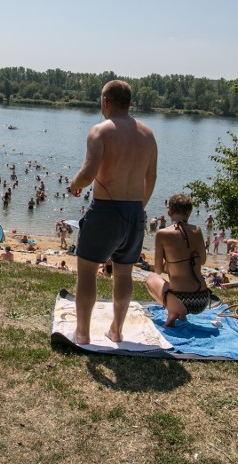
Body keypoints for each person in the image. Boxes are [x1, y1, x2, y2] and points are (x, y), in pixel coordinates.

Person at [68, 80, 157, 344]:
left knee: (86, 271)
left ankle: (83, 333)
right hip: (134, 211)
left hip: (106, 210)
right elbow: (150, 177)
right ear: (128, 102)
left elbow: (88, 172)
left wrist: (74, 185)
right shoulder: (148, 134)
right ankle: (117, 330)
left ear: (105, 101)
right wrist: (140, 206)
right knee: (123, 273)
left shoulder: (100, 131)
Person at [145, 194, 211, 327]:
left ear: (169, 212)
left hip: (179, 300)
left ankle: (173, 313)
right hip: (203, 298)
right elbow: (202, 261)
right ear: (189, 213)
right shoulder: (197, 230)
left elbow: (158, 270)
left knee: (150, 278)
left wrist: (171, 264)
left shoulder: (162, 233)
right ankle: (180, 314)